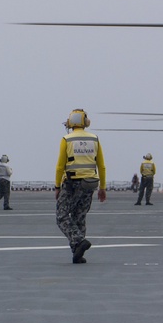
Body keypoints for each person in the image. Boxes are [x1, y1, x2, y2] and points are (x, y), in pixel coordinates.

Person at [55, 108, 107, 264]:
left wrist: (57, 187)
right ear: (85, 123)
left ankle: (78, 240)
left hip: (72, 183)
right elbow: (101, 166)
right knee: (80, 217)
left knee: (61, 216)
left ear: (70, 122)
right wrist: (103, 188)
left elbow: (60, 166)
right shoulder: (95, 139)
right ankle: (77, 253)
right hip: (90, 183)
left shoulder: (67, 139)